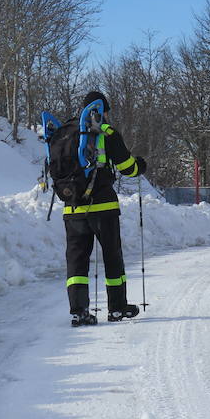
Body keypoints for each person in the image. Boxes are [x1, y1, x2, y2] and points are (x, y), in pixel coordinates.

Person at [62, 91, 147, 325]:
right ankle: (117, 308)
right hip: (103, 207)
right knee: (112, 255)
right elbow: (127, 167)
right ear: (103, 110)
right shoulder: (106, 132)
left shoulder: (67, 132)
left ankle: (79, 311)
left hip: (72, 208)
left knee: (77, 260)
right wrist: (140, 166)